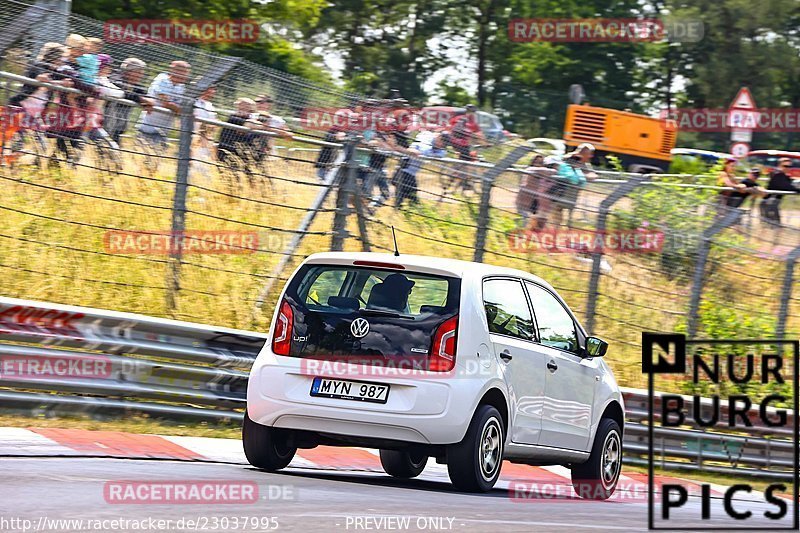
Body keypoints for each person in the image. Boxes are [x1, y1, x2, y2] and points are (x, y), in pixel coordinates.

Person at [137, 60, 191, 149]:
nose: (186, 76)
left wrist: (179, 109)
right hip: (148, 129)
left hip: (163, 131)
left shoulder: (181, 87)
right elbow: (165, 103)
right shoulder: (162, 80)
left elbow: (179, 106)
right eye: (185, 72)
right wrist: (183, 111)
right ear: (175, 71)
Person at [104, 58, 152, 145]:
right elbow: (121, 90)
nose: (141, 75)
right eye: (139, 72)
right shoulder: (114, 78)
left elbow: (144, 94)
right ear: (129, 71)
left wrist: (147, 101)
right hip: (105, 123)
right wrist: (140, 99)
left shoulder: (135, 85)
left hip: (118, 126)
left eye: (142, 73)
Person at [394, 133, 448, 207]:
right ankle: (401, 209)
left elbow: (442, 154)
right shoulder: (426, 139)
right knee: (410, 197)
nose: (441, 145)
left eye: (444, 144)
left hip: (411, 173)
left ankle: (401, 209)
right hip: (404, 170)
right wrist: (430, 153)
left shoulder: (437, 147)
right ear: (438, 137)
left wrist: (431, 153)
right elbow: (421, 151)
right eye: (442, 141)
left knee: (406, 196)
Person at [761, 158, 800, 225]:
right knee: (774, 226)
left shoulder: (781, 175)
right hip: (769, 203)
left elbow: (790, 182)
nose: (788, 168)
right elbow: (787, 187)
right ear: (779, 166)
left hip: (771, 203)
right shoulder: (778, 175)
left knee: (772, 226)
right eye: (785, 166)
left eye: (789, 166)